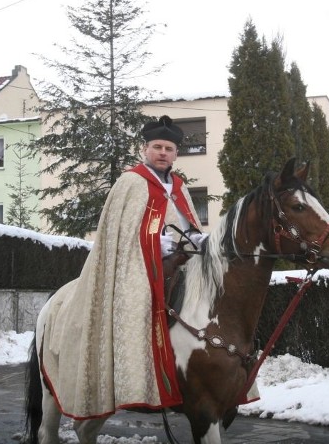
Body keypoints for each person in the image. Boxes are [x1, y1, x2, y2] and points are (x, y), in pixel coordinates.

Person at [40, 115, 208, 419]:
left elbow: (187, 224)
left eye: (168, 148)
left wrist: (197, 240)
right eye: (157, 146)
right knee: (135, 305)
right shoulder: (131, 182)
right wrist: (157, 244)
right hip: (138, 266)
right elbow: (118, 235)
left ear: (176, 154)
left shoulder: (179, 186)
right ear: (145, 149)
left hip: (182, 263)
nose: (162, 153)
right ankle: (133, 377)